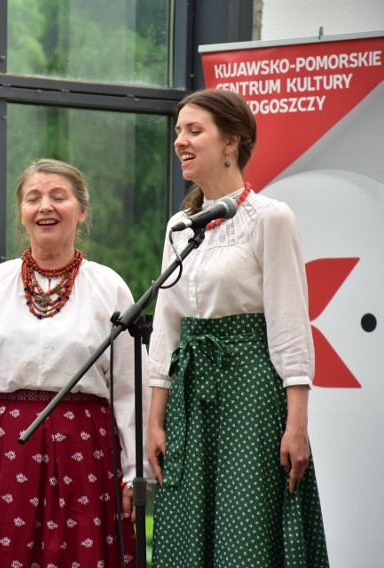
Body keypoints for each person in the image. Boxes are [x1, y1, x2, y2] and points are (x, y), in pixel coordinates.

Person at [0, 158, 150, 567]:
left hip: (84, 451)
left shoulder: (108, 287)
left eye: (58, 197)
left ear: (81, 212)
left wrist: (135, 470)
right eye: (33, 198)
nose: (45, 207)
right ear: (21, 213)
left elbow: (132, 386)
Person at [147, 89, 329, 567]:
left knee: (243, 526)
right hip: (191, 392)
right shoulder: (179, 227)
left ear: (232, 141)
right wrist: (155, 418)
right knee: (188, 525)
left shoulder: (270, 218)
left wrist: (297, 425)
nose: (180, 141)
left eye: (193, 130)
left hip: (250, 389)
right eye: (178, 132)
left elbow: (290, 324)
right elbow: (167, 326)